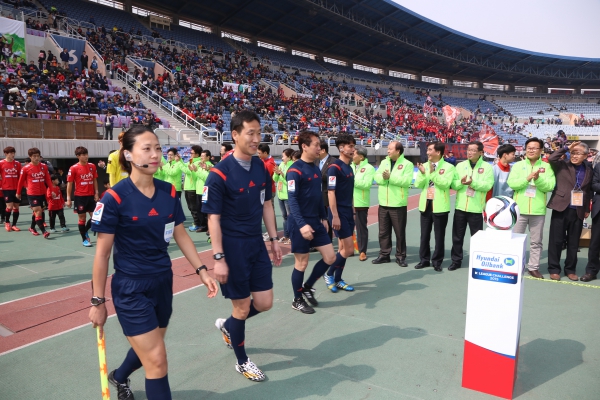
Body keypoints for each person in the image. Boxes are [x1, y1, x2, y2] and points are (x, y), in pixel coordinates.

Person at [89, 125, 218, 400]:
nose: (155, 154)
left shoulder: (169, 192)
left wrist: (202, 270)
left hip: (162, 281)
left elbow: (180, 233)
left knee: (150, 346)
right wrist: (98, 302)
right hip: (131, 288)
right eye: (146, 149)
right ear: (129, 155)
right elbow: (101, 254)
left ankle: (120, 376)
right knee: (157, 359)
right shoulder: (113, 198)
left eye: (157, 148)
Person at [203, 110, 282, 382]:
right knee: (242, 308)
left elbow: (268, 205)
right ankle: (242, 361)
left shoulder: (261, 166)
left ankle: (229, 327)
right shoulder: (218, 174)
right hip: (232, 247)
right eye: (251, 133)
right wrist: (218, 257)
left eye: (259, 133)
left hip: (256, 244)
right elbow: (212, 218)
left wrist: (273, 240)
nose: (256, 139)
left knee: (264, 302)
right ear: (235, 135)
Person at [286, 130, 336, 313]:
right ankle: (297, 299)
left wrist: (323, 217)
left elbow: (317, 197)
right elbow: (292, 201)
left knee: (330, 257)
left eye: (319, 144)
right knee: (301, 263)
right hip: (300, 223)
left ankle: (307, 287)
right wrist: (302, 225)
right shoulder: (294, 171)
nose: (319, 147)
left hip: (316, 221)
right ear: (304, 146)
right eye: (315, 144)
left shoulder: (315, 167)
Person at [508, 137, 556, 279]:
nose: (531, 150)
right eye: (529, 147)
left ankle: (533, 267)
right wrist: (527, 178)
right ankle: (514, 265)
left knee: (536, 242)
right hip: (519, 210)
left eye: (534, 148)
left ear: (541, 150)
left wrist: (538, 179)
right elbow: (512, 183)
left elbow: (550, 186)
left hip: (538, 210)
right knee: (516, 239)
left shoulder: (547, 167)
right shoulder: (518, 165)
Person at [546, 141, 592, 281]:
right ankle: (554, 269)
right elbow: (551, 158)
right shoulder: (562, 164)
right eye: (573, 152)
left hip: (578, 209)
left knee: (573, 242)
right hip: (561, 207)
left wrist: (586, 209)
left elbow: (588, 190)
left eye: (578, 153)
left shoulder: (589, 168)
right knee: (556, 240)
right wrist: (566, 148)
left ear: (585, 155)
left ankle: (570, 269)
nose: (574, 155)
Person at [448, 141, 494, 271]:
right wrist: (461, 183)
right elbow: (454, 184)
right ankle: (456, 260)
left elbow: (487, 185)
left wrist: (472, 183)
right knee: (457, 236)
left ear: (481, 153)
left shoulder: (487, 167)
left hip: (476, 208)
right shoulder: (460, 165)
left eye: (473, 150)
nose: (470, 152)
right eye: (468, 150)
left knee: (477, 238)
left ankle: (477, 261)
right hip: (460, 207)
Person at [323, 134, 357, 291]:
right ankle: (328, 274)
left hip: (348, 211)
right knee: (349, 250)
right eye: (350, 146)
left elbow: (349, 192)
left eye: (353, 146)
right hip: (338, 212)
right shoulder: (334, 168)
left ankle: (338, 279)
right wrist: (335, 215)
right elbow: (331, 193)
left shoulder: (349, 167)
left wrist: (353, 210)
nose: (353, 149)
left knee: (343, 248)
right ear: (341, 148)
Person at [414, 142, 456, 271]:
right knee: (424, 235)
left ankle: (437, 261)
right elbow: (418, 185)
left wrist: (432, 173)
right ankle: (424, 260)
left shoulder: (449, 167)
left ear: (438, 152)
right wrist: (421, 174)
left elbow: (445, 184)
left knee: (439, 236)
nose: (427, 153)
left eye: (430, 150)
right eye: (427, 150)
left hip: (440, 206)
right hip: (425, 205)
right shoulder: (424, 166)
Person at [372, 141, 413, 266]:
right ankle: (384, 254)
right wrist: (384, 178)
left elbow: (406, 181)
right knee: (383, 231)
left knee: (399, 232)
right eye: (387, 149)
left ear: (398, 151)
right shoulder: (384, 162)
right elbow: (377, 177)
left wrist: (390, 177)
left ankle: (400, 256)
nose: (388, 151)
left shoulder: (407, 164)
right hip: (383, 202)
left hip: (398, 204)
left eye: (390, 149)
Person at [16, 148, 53, 238]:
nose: (36, 158)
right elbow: (20, 181)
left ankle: (32, 227)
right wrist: (18, 192)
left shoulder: (44, 166)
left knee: (38, 212)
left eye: (38, 156)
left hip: (43, 193)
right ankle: (44, 232)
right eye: (34, 156)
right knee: (38, 211)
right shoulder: (25, 168)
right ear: (30, 157)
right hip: (32, 193)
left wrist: (51, 190)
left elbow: (48, 179)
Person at [66, 147, 99, 247]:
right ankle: (84, 239)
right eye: (83, 155)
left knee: (96, 218)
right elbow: (70, 184)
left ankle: (84, 230)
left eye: (86, 154)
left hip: (91, 196)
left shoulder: (92, 166)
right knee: (82, 218)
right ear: (78, 156)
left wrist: (96, 193)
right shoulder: (73, 168)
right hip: (80, 197)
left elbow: (94, 180)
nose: (86, 156)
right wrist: (68, 198)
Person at [353, 146, 375, 261]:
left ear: (361, 157)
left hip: (360, 202)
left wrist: (351, 179)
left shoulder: (369, 168)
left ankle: (362, 251)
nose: (352, 156)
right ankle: (349, 248)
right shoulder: (349, 166)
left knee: (361, 228)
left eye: (354, 154)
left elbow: (366, 184)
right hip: (348, 201)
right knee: (347, 227)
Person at [582, 153, 600, 282]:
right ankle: (591, 271)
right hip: (599, 210)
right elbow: (594, 184)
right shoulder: (599, 166)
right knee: (595, 243)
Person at [272, 148, 294, 244]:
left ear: (289, 157)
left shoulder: (292, 165)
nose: (282, 158)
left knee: (290, 217)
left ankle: (292, 237)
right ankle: (286, 235)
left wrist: (282, 174)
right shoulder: (281, 165)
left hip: (288, 195)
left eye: (283, 156)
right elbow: (275, 179)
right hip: (280, 195)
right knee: (284, 217)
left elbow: (290, 181)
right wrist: (276, 174)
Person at [258, 143, 277, 240]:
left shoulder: (269, 163)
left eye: (260, 153)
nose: (258, 155)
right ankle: (271, 232)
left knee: (270, 211)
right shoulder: (265, 161)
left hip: (269, 190)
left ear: (265, 153)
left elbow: (264, 178)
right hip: (265, 190)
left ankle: (272, 233)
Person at [190, 149, 212, 232]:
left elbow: (206, 178)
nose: (201, 158)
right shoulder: (201, 165)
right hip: (199, 190)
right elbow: (196, 177)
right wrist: (193, 171)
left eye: (203, 156)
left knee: (205, 209)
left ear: (208, 157)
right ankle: (203, 225)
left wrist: (197, 171)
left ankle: (207, 226)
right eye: (201, 156)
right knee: (199, 209)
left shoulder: (210, 166)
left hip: (205, 191)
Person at [1, 146, 22, 231]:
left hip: (16, 189)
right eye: (11, 153)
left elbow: (21, 177)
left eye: (13, 153)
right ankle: (7, 222)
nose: (13, 155)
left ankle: (14, 225)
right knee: (9, 206)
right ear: (6, 154)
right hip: (6, 188)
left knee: (16, 207)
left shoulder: (17, 164)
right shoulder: (1, 163)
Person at [318, 140, 336, 239]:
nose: (316, 150)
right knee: (318, 219)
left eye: (318, 148)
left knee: (329, 220)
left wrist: (318, 176)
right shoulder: (315, 161)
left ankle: (328, 240)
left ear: (323, 150)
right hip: (316, 196)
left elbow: (332, 177)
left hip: (328, 196)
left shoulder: (333, 161)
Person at [183, 145, 202, 232]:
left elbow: (187, 171)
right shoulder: (191, 161)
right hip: (188, 187)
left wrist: (179, 162)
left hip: (193, 188)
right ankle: (197, 223)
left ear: (197, 154)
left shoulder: (198, 163)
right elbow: (185, 169)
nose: (190, 154)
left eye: (192, 153)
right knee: (190, 207)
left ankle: (197, 223)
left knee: (194, 208)